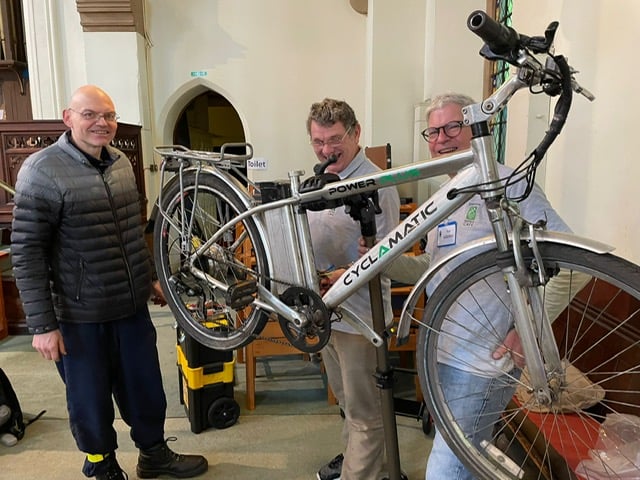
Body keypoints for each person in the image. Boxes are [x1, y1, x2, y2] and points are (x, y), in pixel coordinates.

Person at [10, 85, 208, 480]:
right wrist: (43, 326)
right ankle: (101, 465)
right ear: (68, 118)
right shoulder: (40, 170)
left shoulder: (119, 162)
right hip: (78, 315)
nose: (102, 123)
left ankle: (153, 454)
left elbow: (131, 233)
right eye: (90, 115)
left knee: (145, 386)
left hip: (129, 307)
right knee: (89, 399)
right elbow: (27, 252)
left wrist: (150, 279)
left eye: (109, 115)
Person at [374, 92, 572, 480]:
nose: (442, 139)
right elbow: (434, 269)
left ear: (479, 127)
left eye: (453, 127)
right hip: (442, 355)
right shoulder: (447, 195)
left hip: (485, 362)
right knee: (465, 460)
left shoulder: (510, 184)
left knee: (445, 471)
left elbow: (571, 260)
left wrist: (527, 328)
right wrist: (380, 260)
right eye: (434, 131)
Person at [306, 98, 400, 480]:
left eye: (333, 139)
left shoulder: (378, 184)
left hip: (361, 316)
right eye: (317, 141)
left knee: (366, 416)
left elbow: (387, 256)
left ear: (356, 133)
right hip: (325, 312)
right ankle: (357, 462)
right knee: (347, 402)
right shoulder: (319, 182)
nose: (326, 150)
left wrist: (344, 272)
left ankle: (360, 473)